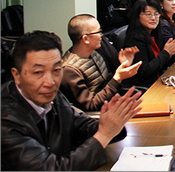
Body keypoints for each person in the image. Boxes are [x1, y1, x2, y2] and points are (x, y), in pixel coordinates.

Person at [1, 31, 142, 171]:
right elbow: (50, 169)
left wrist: (110, 122)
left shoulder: (49, 94)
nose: (50, 82)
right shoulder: (5, 120)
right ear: (16, 75)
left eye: (56, 70)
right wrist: (104, 134)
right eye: (38, 72)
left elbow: (80, 126)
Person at [61, 14, 142, 111]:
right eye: (98, 32)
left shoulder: (94, 53)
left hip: (113, 105)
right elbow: (90, 106)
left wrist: (122, 65)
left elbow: (107, 84)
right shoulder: (69, 70)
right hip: (100, 115)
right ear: (86, 39)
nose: (101, 35)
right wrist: (117, 78)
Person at [122, 0, 175, 89]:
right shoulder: (135, 39)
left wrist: (174, 51)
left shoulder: (154, 34)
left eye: (156, 14)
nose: (153, 18)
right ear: (137, 16)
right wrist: (166, 53)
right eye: (148, 14)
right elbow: (145, 72)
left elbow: (163, 63)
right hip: (146, 88)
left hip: (160, 81)